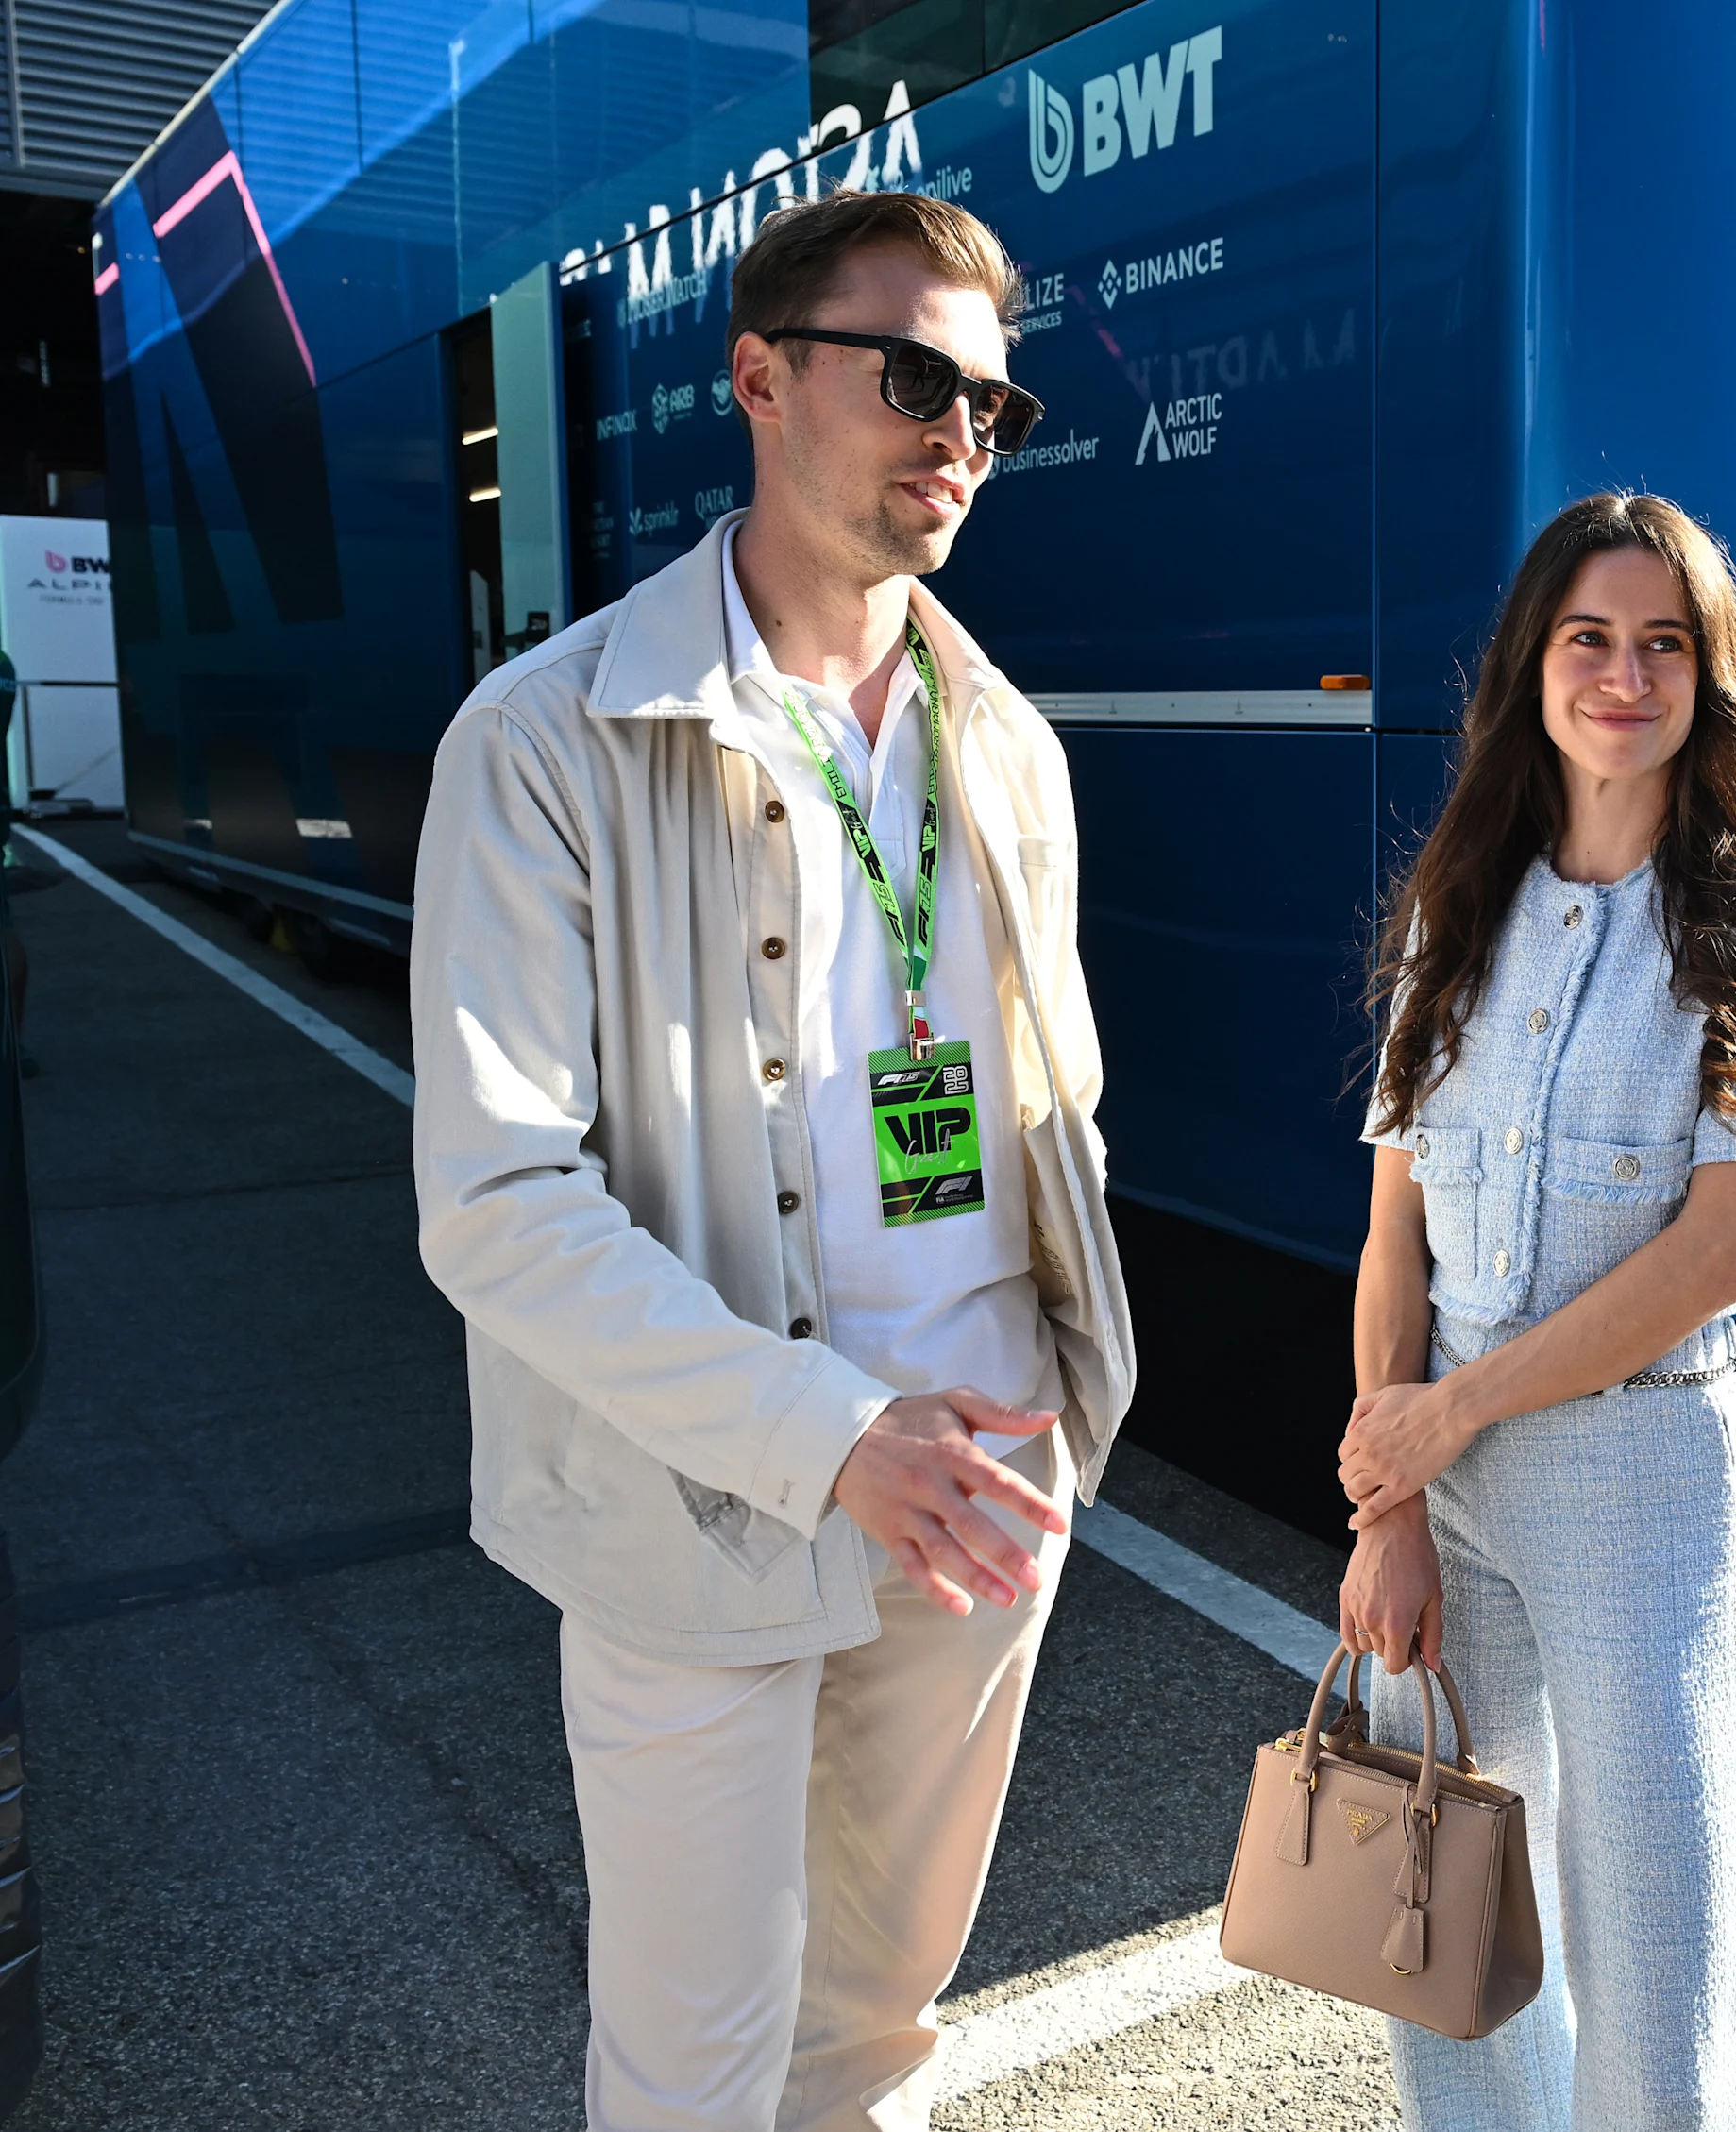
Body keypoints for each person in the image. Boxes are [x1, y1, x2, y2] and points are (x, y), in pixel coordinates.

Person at [410, 188, 1131, 2131]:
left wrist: (1055, 1402)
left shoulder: (1009, 749)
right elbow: (492, 1197)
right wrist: (829, 1433)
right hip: (702, 1503)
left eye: (996, 406)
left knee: (881, 2033)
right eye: (914, 379)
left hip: (984, 1489)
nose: (958, 436)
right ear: (760, 379)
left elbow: (1041, 1104)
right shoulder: (549, 738)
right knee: (696, 2067)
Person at [1337, 493, 1736, 2130]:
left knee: (1659, 1932)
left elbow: (1711, 1258)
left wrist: (1447, 1418)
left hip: (1646, 1482)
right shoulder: (1457, 905)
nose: (1623, 675)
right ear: (1530, 668)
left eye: (1663, 644)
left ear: (1711, 675)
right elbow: (1394, 1232)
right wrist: (1393, 1498)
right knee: (1448, 1908)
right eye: (1588, 640)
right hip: (1447, 1477)